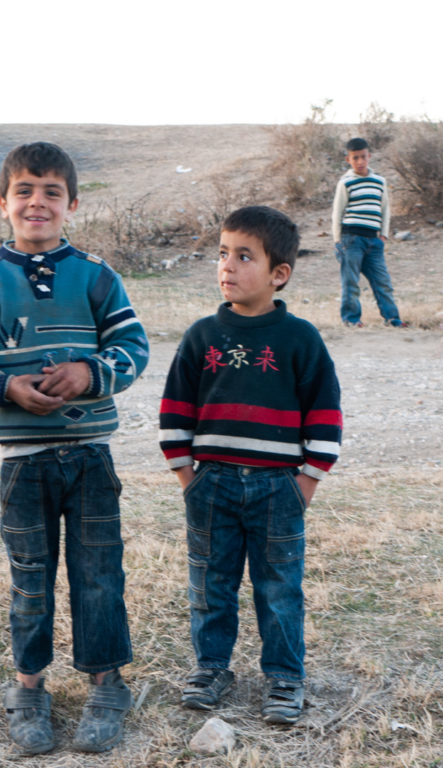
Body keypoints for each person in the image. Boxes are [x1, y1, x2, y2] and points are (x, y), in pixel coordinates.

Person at [0, 142, 149, 755]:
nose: (38, 202)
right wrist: (5, 386)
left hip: (89, 457)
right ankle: (29, 686)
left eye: (52, 191)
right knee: (31, 577)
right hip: (22, 463)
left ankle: (108, 685)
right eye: (24, 191)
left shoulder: (97, 275)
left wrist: (90, 373)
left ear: (72, 204)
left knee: (100, 574)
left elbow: (133, 348)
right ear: (2, 203)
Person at [158, 205, 342, 724]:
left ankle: (285, 677)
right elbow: (175, 410)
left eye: (244, 256)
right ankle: (212, 667)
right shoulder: (201, 336)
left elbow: (325, 414)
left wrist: (305, 481)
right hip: (211, 485)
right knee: (210, 584)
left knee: (279, 588)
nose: (228, 267)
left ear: (278, 274)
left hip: (278, 487)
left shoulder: (300, 339)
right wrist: (187, 478)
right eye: (222, 254)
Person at [332, 136, 405, 327]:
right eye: (355, 158)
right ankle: (352, 320)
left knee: (382, 282)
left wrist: (384, 235)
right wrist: (338, 240)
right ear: (348, 160)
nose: (360, 162)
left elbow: (385, 210)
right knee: (351, 283)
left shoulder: (379, 182)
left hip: (374, 241)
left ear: (369, 156)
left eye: (363, 157)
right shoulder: (346, 182)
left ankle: (393, 319)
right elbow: (337, 212)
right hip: (351, 239)